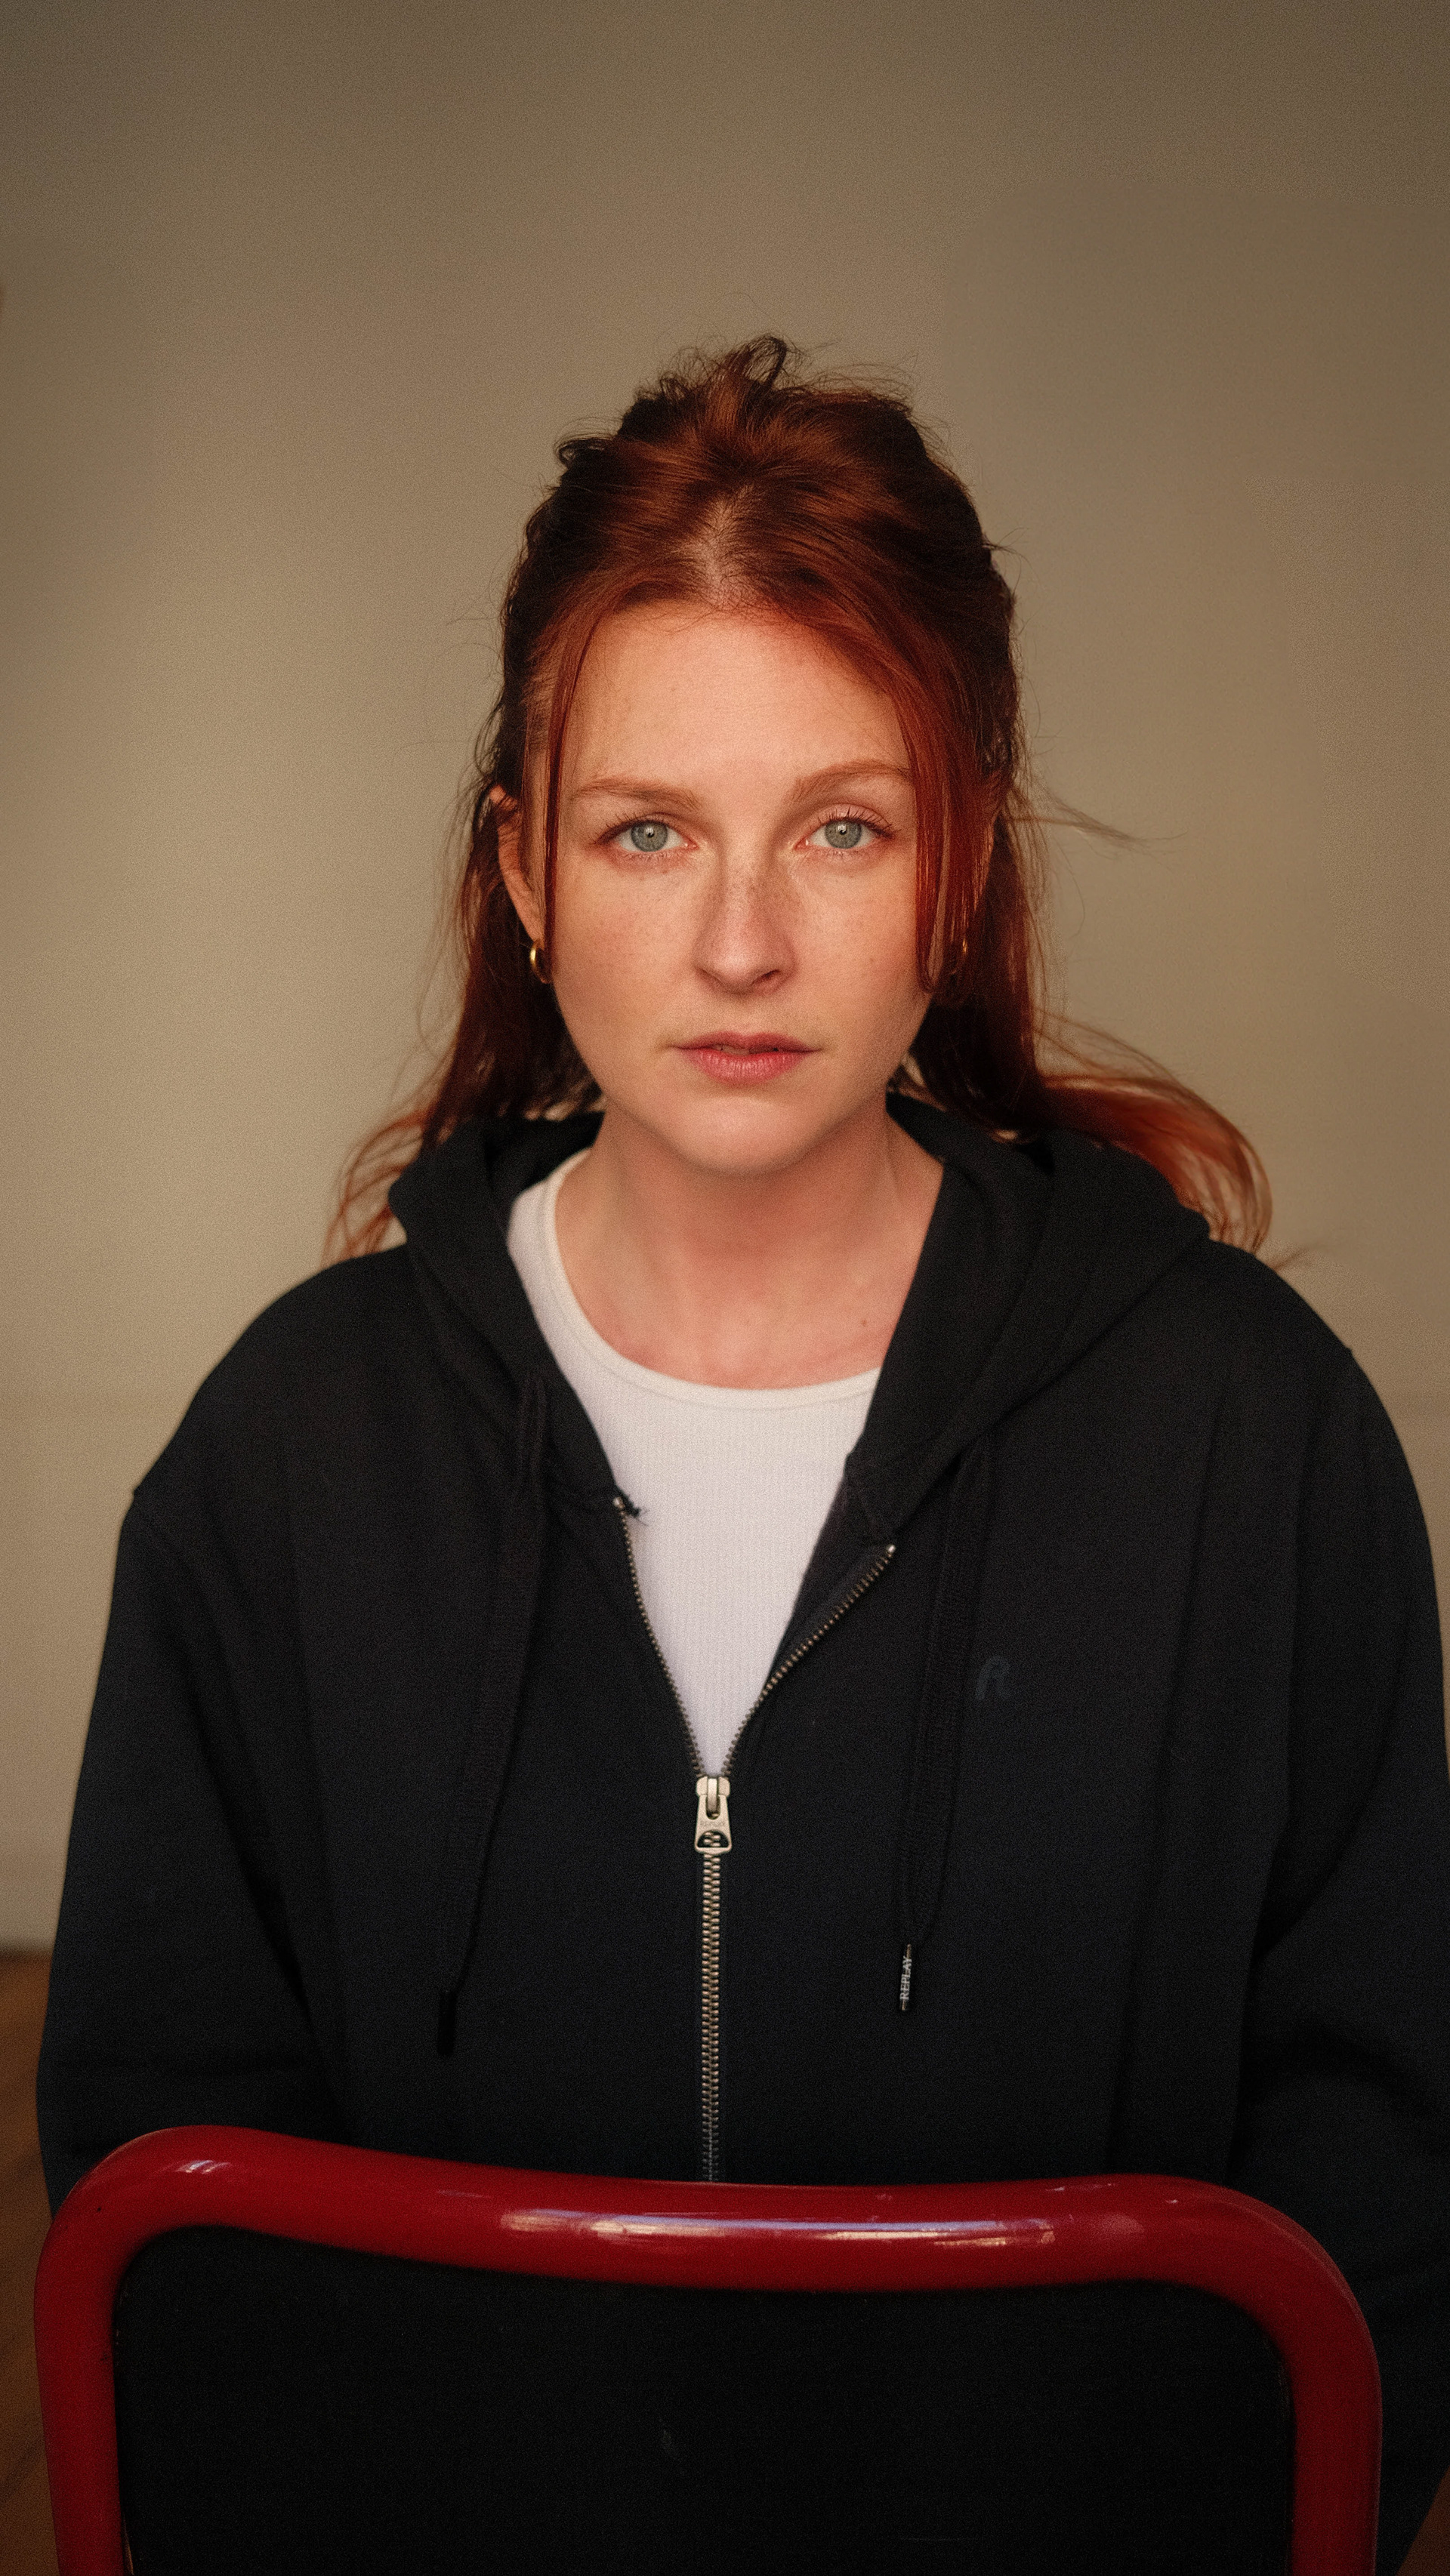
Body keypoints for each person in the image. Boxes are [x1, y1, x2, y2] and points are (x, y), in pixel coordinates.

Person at [38, 339, 1450, 2566]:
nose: (741, 943)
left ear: (958, 860)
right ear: (525, 869)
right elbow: (170, 2217)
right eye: (647, 830)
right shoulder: (285, 1463)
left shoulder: (1251, 1441)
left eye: (843, 827)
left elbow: (1381, 2195)